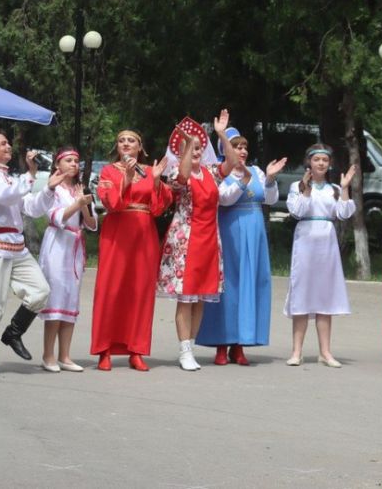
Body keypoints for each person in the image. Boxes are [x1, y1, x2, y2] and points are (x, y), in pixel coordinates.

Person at [196, 127, 286, 366]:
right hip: (230, 231)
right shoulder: (221, 172)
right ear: (225, 150)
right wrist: (240, 179)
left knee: (252, 283)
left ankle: (240, 343)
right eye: (236, 147)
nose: (242, 151)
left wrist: (269, 179)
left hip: (254, 231)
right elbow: (224, 198)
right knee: (229, 286)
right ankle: (220, 344)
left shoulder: (255, 170)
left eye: (244, 147)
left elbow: (269, 199)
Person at [157, 111, 237, 371]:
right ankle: (183, 350)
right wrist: (188, 143)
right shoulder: (176, 174)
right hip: (185, 241)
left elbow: (232, 162)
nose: (195, 151)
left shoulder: (211, 172)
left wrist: (222, 135)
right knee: (186, 297)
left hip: (210, 240)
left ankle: (190, 344)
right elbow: (181, 178)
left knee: (201, 297)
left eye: (199, 147)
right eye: (190, 147)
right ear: (179, 152)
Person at [0, 131, 56, 377]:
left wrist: (49, 188)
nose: (8, 146)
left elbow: (31, 207)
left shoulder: (12, 180)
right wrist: (30, 175)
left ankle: (14, 332)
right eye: (2, 143)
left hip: (16, 245)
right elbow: (3, 196)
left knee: (40, 290)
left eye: (8, 143)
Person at [91, 129, 171, 371]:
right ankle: (104, 350)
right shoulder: (108, 171)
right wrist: (125, 178)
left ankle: (136, 350)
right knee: (111, 288)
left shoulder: (149, 171)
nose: (126, 144)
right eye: (121, 140)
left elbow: (159, 208)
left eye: (131, 140)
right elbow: (110, 202)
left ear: (140, 147)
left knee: (140, 291)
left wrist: (157, 180)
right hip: (117, 234)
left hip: (144, 235)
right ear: (117, 146)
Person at [284, 143, 356, 368]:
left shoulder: (333, 188)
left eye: (325, 160)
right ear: (309, 162)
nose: (321, 163)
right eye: (317, 160)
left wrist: (344, 188)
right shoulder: (298, 185)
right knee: (302, 294)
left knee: (325, 296)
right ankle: (297, 351)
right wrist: (306, 190)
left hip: (326, 242)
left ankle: (325, 351)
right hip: (306, 239)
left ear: (330, 164)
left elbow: (343, 214)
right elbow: (297, 211)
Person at [36, 147, 98, 372]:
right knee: (56, 299)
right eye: (69, 160)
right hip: (57, 247)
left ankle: (65, 355)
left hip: (74, 247)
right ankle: (48, 354)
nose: (74, 164)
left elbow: (91, 224)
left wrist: (86, 206)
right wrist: (78, 204)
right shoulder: (53, 189)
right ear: (57, 165)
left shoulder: (80, 189)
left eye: (76, 161)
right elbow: (57, 217)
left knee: (71, 299)